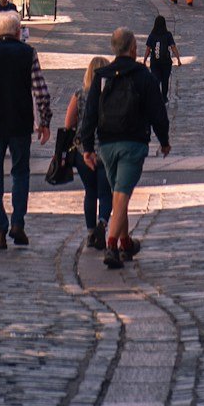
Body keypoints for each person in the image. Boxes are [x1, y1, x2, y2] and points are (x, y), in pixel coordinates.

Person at [78, 26, 171, 272]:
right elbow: (157, 112)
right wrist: (164, 140)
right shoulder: (143, 75)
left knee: (120, 193)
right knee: (121, 194)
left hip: (106, 145)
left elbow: (90, 114)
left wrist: (87, 146)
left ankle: (126, 243)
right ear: (133, 48)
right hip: (133, 143)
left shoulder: (102, 75)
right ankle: (112, 245)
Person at [0, 7, 51, 250]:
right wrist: (43, 122)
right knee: (20, 174)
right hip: (20, 122)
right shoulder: (27, 53)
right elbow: (40, 91)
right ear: (16, 31)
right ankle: (18, 224)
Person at [65, 54, 115, 250]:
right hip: (107, 149)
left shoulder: (80, 94)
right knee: (105, 193)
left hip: (82, 150)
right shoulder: (112, 95)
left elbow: (69, 124)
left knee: (90, 192)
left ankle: (91, 232)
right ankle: (103, 223)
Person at [146, 13, 178, 101]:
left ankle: (156, 96)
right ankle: (164, 97)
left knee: (156, 79)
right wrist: (178, 59)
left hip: (155, 62)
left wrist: (145, 60)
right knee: (165, 80)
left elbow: (148, 49)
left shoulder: (152, 35)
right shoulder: (168, 35)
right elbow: (173, 47)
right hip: (166, 62)